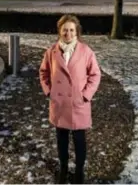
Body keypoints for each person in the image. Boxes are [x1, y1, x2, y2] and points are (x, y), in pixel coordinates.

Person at [39, 14, 101, 184]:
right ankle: (64, 169)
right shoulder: (51, 51)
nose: (68, 33)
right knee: (62, 140)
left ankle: (79, 171)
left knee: (80, 141)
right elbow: (43, 72)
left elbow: (95, 75)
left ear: (77, 32)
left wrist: (86, 95)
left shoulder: (86, 51)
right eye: (65, 30)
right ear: (59, 31)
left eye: (72, 30)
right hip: (59, 103)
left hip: (78, 104)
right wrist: (49, 91)